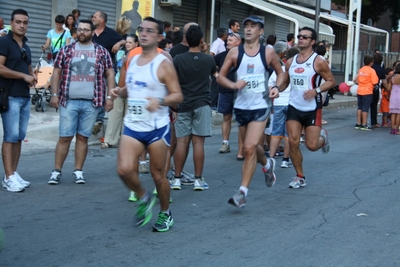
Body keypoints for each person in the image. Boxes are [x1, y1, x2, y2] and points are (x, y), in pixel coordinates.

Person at [111, 17, 183, 232]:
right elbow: (129, 88)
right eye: (141, 29)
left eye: (149, 31)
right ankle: (144, 197)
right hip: (133, 125)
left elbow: (178, 95)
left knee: (158, 175)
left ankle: (165, 213)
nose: (143, 34)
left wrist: (160, 101)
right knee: (124, 170)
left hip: (156, 128)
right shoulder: (132, 60)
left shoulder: (164, 64)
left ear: (160, 37)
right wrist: (119, 91)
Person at [217, 16, 284, 208]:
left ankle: (242, 193)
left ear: (260, 31)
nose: (248, 29)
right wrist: (233, 84)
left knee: (248, 148)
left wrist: (276, 88)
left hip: (261, 106)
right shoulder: (234, 52)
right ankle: (267, 165)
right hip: (241, 106)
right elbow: (220, 77)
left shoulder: (268, 52)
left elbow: (281, 73)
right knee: (253, 147)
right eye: (246, 26)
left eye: (253, 26)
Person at [48, 19, 115, 185]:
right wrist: (54, 94)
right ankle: (56, 171)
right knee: (64, 137)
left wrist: (109, 98)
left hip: (92, 103)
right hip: (68, 101)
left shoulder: (101, 52)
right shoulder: (67, 50)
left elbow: (110, 74)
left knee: (83, 138)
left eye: (86, 29)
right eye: (80, 29)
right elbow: (56, 72)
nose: (82, 32)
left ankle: (78, 171)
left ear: (92, 32)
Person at [274, 27, 335, 189]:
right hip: (294, 106)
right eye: (299, 36)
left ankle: (323, 138)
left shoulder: (318, 61)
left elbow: (331, 81)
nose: (301, 39)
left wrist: (316, 90)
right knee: (293, 142)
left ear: (312, 41)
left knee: (311, 146)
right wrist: (276, 89)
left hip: (313, 107)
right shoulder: (290, 62)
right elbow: (285, 81)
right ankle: (299, 176)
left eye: (305, 37)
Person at [170, 24, 216, 191]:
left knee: (181, 142)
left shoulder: (178, 59)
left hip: (183, 103)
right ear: (202, 40)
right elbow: (213, 74)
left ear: (186, 40)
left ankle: (176, 178)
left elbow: (172, 81)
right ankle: (198, 179)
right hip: (202, 103)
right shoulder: (208, 59)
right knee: (198, 143)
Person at [0, 9, 36, 192]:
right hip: (10, 96)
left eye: (25, 22)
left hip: (23, 96)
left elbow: (28, 68)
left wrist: (32, 76)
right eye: (19, 22)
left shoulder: (26, 46)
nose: (22, 25)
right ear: (12, 23)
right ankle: (7, 177)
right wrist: (23, 76)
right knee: (10, 137)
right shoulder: (4, 42)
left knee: (20, 137)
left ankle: (14, 173)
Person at [91, 11, 126, 135]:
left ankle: (99, 118)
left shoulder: (111, 33)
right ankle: (93, 116)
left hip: (106, 69)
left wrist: (118, 43)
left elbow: (125, 41)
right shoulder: (90, 32)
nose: (92, 18)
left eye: (95, 17)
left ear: (102, 20)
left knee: (103, 91)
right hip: (90, 69)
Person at [102, 33, 138, 149]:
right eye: (126, 42)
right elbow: (114, 69)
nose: (127, 44)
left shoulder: (140, 56)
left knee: (128, 116)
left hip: (132, 90)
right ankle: (109, 140)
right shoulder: (120, 53)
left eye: (130, 42)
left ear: (136, 44)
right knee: (114, 115)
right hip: (118, 86)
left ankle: (126, 141)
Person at [214, 32, 244, 158]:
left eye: (231, 40)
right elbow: (211, 66)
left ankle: (241, 150)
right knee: (226, 117)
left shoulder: (244, 55)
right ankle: (225, 143)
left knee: (242, 120)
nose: (228, 42)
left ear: (239, 42)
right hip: (225, 90)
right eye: (228, 40)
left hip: (242, 92)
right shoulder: (221, 56)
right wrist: (217, 76)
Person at [268, 41, 295, 168]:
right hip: (291, 104)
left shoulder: (280, 70)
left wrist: (273, 97)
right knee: (288, 134)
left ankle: (271, 158)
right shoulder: (297, 70)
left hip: (278, 104)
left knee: (276, 132)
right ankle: (285, 160)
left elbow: (270, 85)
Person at [354, 55, 379, 131]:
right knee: (365, 108)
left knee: (360, 107)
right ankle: (364, 124)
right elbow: (375, 81)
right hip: (367, 91)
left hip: (360, 90)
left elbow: (357, 80)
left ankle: (358, 123)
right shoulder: (371, 70)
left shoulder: (361, 69)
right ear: (371, 62)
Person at [370, 52, 387, 128]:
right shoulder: (380, 69)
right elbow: (384, 82)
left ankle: (361, 121)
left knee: (363, 107)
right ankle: (374, 122)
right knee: (374, 106)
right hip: (375, 88)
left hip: (366, 88)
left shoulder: (370, 67)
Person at [388, 64, 400, 134]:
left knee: (393, 113)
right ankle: (397, 129)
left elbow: (389, 88)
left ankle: (392, 129)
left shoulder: (392, 78)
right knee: (398, 114)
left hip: (393, 96)